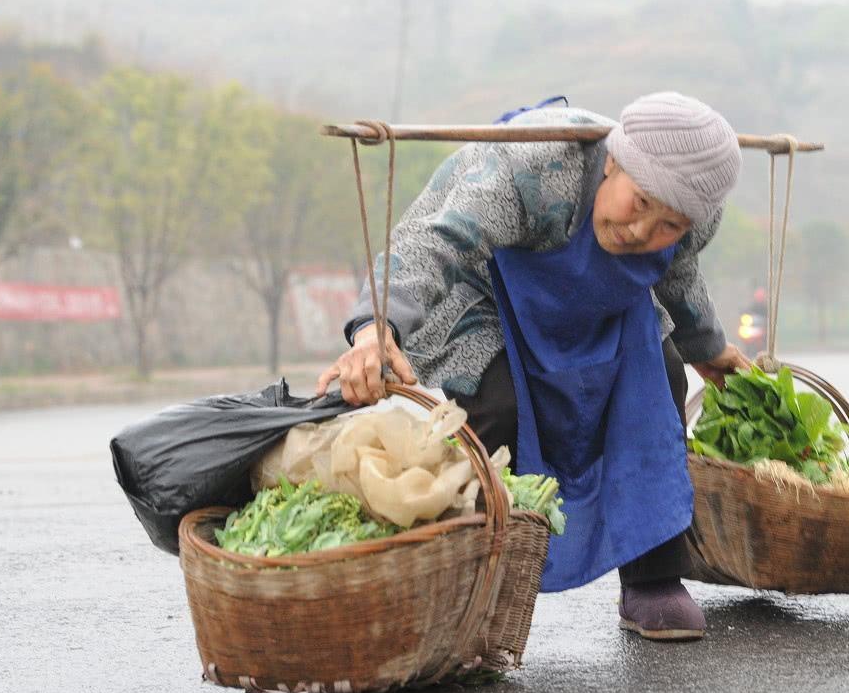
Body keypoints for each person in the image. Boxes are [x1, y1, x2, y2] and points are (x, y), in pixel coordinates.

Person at [318, 92, 750, 641]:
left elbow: (678, 276)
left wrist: (707, 349)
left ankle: (653, 577)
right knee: (493, 407)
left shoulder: (693, 223)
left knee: (658, 383)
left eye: (668, 223)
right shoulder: (536, 168)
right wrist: (376, 328)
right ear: (613, 163)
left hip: (593, 300)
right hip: (480, 287)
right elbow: (435, 244)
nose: (643, 232)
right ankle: (471, 590)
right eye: (639, 203)